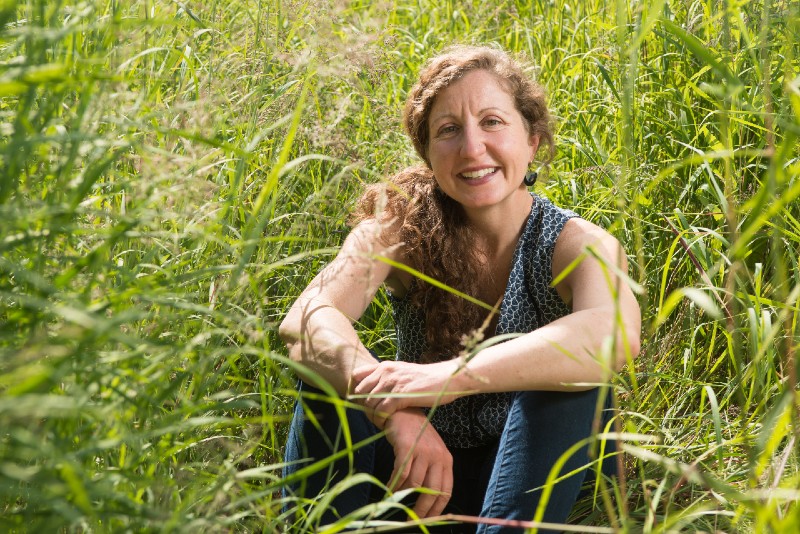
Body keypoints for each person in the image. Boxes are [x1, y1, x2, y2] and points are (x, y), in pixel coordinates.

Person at [279, 44, 641, 533]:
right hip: (418, 481)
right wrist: (392, 412)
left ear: (532, 141)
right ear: (427, 152)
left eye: (492, 122)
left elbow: (612, 334)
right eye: (449, 130)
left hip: (525, 483)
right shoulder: (402, 228)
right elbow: (306, 319)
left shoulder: (578, 245)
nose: (472, 148)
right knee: (327, 377)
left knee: (576, 379)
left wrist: (448, 378)